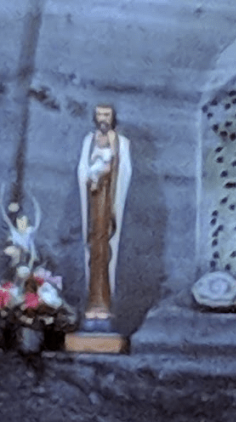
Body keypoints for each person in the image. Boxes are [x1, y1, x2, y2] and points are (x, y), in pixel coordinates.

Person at [77, 104, 132, 321]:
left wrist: (111, 171)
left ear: (113, 118)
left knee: (106, 250)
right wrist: (91, 176)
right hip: (93, 203)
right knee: (94, 250)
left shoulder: (121, 143)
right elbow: (82, 169)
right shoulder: (88, 141)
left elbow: (125, 170)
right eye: (99, 114)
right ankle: (93, 300)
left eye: (107, 115)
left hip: (108, 201)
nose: (103, 119)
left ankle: (105, 300)